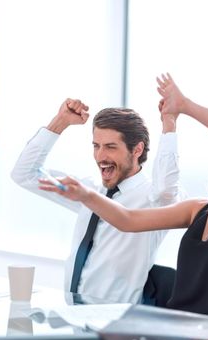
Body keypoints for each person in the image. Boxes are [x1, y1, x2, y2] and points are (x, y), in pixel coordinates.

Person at [39, 73, 208, 320]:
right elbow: (128, 220)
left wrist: (186, 105)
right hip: (179, 335)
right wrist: (85, 195)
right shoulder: (199, 210)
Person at [11, 98, 183, 304]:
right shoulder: (88, 189)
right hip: (73, 313)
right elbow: (24, 174)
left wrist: (169, 124)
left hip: (115, 324)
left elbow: (166, 187)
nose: (100, 156)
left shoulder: (154, 199)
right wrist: (60, 122)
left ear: (137, 150)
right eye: (96, 146)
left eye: (110, 147)